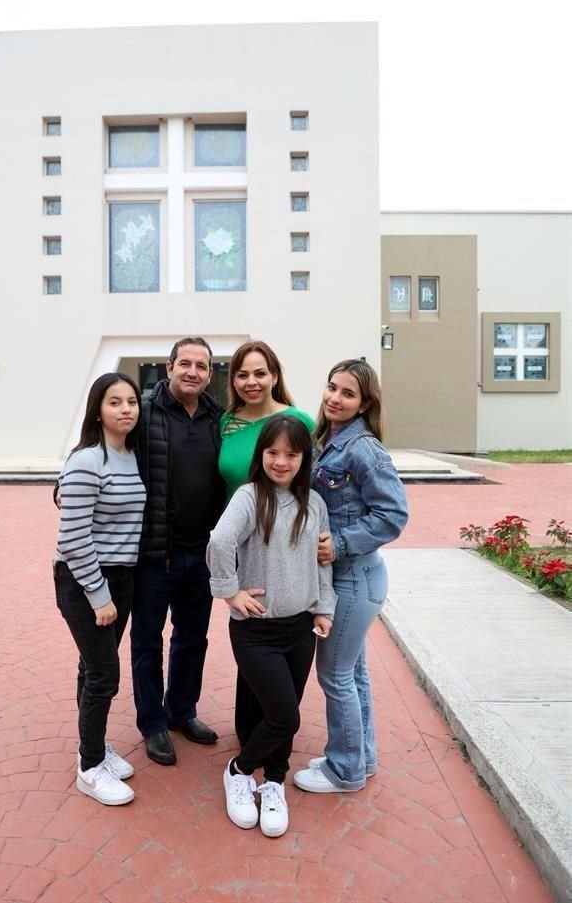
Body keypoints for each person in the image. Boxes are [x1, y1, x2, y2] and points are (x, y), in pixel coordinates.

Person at [207, 415, 336, 837]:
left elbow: (322, 563)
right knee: (285, 715)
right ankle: (240, 770)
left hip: (300, 628)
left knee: (265, 706)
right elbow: (219, 542)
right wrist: (230, 592)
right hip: (255, 627)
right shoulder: (249, 497)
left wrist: (323, 607)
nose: (280, 462)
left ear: (304, 458)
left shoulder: (314, 504)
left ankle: (275, 780)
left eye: (291, 454)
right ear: (261, 455)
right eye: (272, 453)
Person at [293, 358, 408, 794]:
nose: (334, 398)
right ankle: (362, 756)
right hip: (349, 578)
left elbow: (393, 515)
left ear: (364, 403)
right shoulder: (329, 439)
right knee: (354, 673)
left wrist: (338, 543)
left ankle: (345, 771)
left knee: (335, 676)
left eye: (347, 393)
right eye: (331, 388)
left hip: (355, 578)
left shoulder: (364, 448)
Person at [130, 337, 226, 766]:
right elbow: (102, 441)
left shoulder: (218, 419)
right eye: (184, 363)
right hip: (154, 556)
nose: (192, 371)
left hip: (202, 556)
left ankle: (182, 712)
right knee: (147, 643)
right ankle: (152, 723)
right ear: (169, 366)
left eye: (201, 365)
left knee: (192, 640)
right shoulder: (143, 413)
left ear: (209, 373)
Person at [54, 372, 145, 806]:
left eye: (131, 401)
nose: (126, 408)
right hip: (85, 580)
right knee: (105, 674)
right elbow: (72, 539)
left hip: (122, 577)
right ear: (97, 410)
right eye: (115, 402)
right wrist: (98, 594)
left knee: (92, 669)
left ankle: (93, 743)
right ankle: (89, 767)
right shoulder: (88, 460)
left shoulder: (131, 454)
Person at [219, 339, 314, 501]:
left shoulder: (301, 421)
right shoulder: (226, 422)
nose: (251, 382)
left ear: (274, 377)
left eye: (260, 374)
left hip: (283, 523)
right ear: (234, 381)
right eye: (243, 375)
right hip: (232, 523)